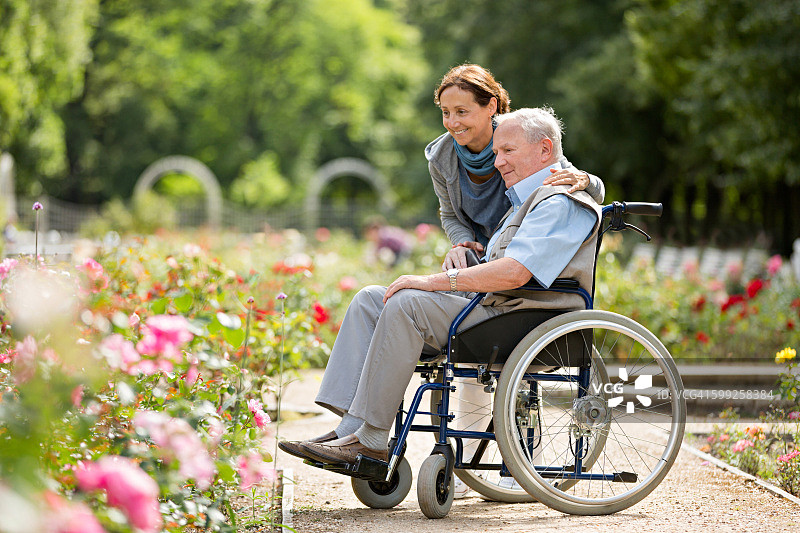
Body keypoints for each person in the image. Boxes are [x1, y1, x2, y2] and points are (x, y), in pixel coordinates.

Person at [278, 107, 602, 466]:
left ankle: (370, 441)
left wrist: (433, 282)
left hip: (521, 320)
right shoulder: (523, 200)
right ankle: (349, 430)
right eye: (496, 153)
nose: (497, 163)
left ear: (544, 150)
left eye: (507, 151)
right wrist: (463, 253)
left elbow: (515, 274)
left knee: (407, 302)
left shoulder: (558, 200)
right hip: (493, 310)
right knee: (371, 299)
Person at [427, 64, 604, 270]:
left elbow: (580, 183)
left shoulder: (519, 137)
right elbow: (449, 214)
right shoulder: (440, 158)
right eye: (446, 112)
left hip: (522, 254)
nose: (453, 122)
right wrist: (464, 245)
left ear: (491, 107)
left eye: (462, 111)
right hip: (482, 260)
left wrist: (587, 180)